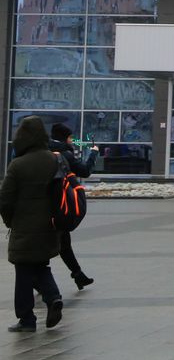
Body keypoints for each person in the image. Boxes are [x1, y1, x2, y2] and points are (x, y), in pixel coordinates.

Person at [0, 116, 63, 333]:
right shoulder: (54, 160)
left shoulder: (17, 165)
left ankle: (27, 319)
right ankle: (53, 297)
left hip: (24, 226)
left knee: (24, 270)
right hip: (49, 225)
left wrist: (10, 221)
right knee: (40, 265)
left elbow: (5, 199)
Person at [48, 123, 97, 290]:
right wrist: (93, 154)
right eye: (69, 137)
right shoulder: (65, 154)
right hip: (59, 205)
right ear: (64, 138)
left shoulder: (42, 151)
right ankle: (43, 283)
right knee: (58, 243)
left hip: (42, 205)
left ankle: (78, 275)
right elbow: (84, 171)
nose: (71, 140)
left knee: (61, 242)